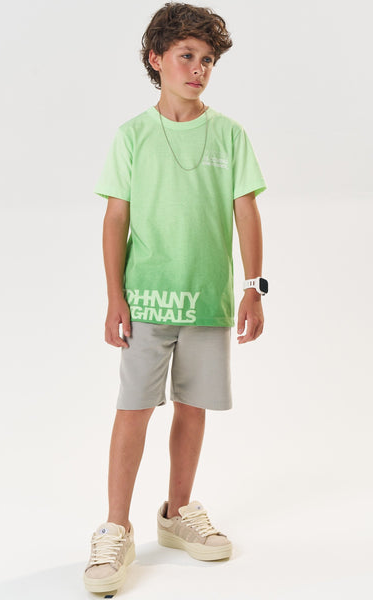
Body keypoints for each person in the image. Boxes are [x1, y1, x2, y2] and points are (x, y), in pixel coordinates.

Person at [83, 2, 268, 594]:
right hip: (146, 302)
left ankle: (177, 512)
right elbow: (116, 219)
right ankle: (115, 527)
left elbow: (246, 211)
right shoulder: (133, 136)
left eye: (207, 60)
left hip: (208, 301)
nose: (198, 69)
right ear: (156, 58)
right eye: (187, 55)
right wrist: (114, 296)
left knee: (193, 406)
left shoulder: (230, 134)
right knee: (133, 408)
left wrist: (253, 288)